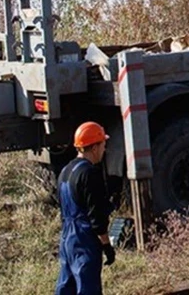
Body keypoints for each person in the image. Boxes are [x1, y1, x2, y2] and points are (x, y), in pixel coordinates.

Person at [55, 121, 116, 295]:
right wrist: (106, 245)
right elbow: (97, 216)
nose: (104, 149)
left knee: (66, 287)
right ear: (95, 147)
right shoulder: (89, 173)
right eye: (103, 144)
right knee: (88, 288)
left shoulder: (66, 171)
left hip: (67, 238)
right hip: (84, 239)